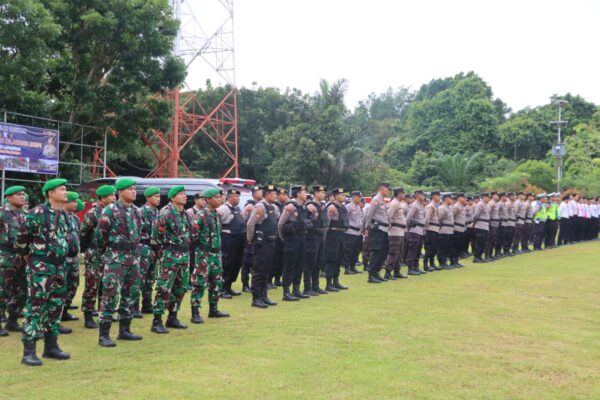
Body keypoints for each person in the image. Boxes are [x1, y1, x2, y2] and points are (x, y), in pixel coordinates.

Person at [19, 178, 71, 366]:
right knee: (35, 308)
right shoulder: (37, 213)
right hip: (41, 268)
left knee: (55, 308)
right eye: (62, 189)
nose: (65, 192)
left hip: (59, 267)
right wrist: (30, 258)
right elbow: (22, 240)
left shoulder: (63, 215)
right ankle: (29, 351)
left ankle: (51, 347)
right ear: (50, 193)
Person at [96, 178, 143, 347]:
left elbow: (140, 233)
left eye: (134, 189)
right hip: (116, 258)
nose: (133, 192)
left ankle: (125, 330)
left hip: (133, 258)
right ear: (120, 192)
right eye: (130, 189)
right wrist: (110, 252)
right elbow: (100, 235)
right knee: (110, 295)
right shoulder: (110, 210)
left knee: (130, 295)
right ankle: (104, 334)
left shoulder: (137, 211)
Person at [152, 186, 192, 334]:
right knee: (164, 288)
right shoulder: (166, 212)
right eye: (180, 194)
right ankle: (157, 321)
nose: (184, 196)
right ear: (172, 197)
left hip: (184, 255)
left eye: (184, 194)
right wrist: (162, 253)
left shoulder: (185, 213)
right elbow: (156, 236)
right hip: (170, 255)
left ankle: (172, 317)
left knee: (180, 288)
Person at [80, 184, 116, 329]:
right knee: (92, 285)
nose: (114, 198)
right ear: (103, 198)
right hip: (95, 253)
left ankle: (104, 313)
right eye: (112, 195)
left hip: (109, 253)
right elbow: (83, 232)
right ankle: (88, 315)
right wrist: (85, 249)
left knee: (106, 285)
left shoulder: (114, 212)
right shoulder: (93, 213)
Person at [191, 188, 230, 318]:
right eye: (216, 197)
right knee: (200, 283)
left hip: (216, 254)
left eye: (220, 197)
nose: (220, 199)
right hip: (204, 254)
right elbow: (193, 235)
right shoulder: (201, 215)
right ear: (208, 200)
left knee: (217, 282)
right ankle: (195, 312)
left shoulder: (216, 215)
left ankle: (213, 309)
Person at [0, 185, 28, 336]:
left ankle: (12, 320)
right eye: (19, 194)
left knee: (23, 290)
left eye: (23, 194)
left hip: (21, 258)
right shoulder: (3, 213)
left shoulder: (26, 214)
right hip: (4, 256)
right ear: (9, 197)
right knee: (1, 291)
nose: (22, 197)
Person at [246, 185, 278, 308]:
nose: (275, 195)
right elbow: (250, 224)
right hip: (262, 242)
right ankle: (256, 298)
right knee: (259, 271)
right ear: (267, 194)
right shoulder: (261, 206)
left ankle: (264, 296)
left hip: (270, 242)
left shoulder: (271, 207)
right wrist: (250, 239)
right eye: (273, 193)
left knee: (266, 270)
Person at [278, 185, 311, 301]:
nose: (306, 194)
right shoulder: (291, 206)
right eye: (304, 192)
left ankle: (296, 290)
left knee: (300, 264)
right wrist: (283, 238)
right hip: (291, 240)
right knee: (290, 265)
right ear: (298, 193)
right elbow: (281, 224)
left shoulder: (303, 207)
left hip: (302, 238)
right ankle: (286, 292)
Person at [217, 189, 246, 299]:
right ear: (230, 197)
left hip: (239, 239)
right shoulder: (223, 208)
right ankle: (222, 288)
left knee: (236, 263)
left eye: (238, 197)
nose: (238, 199)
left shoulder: (237, 208)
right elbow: (217, 222)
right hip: (229, 239)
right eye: (236, 197)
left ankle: (229, 286)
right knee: (227, 263)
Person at [138, 187, 160, 315]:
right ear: (148, 198)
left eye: (159, 197)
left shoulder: (158, 212)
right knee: (139, 278)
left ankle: (146, 304)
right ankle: (134, 306)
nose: (158, 199)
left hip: (154, 248)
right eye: (155, 196)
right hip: (143, 247)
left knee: (150, 278)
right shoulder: (141, 212)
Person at [362, 183, 391, 282]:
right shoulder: (376, 199)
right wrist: (366, 228)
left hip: (383, 230)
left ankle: (377, 273)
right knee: (376, 252)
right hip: (377, 229)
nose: (388, 191)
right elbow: (370, 214)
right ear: (382, 189)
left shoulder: (382, 200)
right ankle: (371, 275)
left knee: (382, 253)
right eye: (387, 189)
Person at [305, 185, 329, 295]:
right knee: (310, 262)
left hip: (321, 235)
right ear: (315, 193)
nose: (323, 194)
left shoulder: (323, 206)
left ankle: (316, 286)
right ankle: (307, 287)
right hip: (313, 236)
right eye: (321, 192)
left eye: (324, 192)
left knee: (319, 261)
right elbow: (307, 221)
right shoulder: (310, 206)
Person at [61, 192, 81, 323]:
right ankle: (56, 315)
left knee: (73, 286)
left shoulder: (75, 219)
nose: (75, 204)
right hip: (62, 258)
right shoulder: (59, 217)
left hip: (73, 258)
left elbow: (79, 236)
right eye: (73, 201)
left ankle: (65, 311)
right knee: (60, 288)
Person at [325, 188, 349, 291]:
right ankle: (329, 283)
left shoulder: (343, 207)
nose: (344, 196)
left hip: (341, 233)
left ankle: (336, 281)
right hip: (333, 234)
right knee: (332, 258)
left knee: (339, 258)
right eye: (341, 194)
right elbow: (327, 222)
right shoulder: (332, 207)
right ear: (335, 196)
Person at [241, 186, 263, 292]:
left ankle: (256, 283)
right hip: (249, 237)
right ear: (254, 194)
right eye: (259, 191)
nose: (261, 192)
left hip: (259, 237)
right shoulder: (250, 205)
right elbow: (244, 221)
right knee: (247, 261)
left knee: (256, 261)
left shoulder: (262, 205)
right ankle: (245, 284)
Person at [384, 188, 407, 279]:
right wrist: (389, 229)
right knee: (393, 253)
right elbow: (388, 216)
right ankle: (388, 272)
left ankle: (397, 271)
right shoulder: (394, 203)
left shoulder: (398, 203)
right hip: (394, 231)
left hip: (400, 231)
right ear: (399, 194)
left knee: (399, 253)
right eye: (403, 193)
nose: (404, 195)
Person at [341, 191, 363, 276]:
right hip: (350, 232)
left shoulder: (358, 207)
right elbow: (345, 219)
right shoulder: (348, 207)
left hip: (358, 232)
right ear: (354, 197)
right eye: (359, 197)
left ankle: (353, 266)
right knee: (348, 251)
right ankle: (347, 268)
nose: (360, 199)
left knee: (356, 251)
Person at [405, 190, 426, 275]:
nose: (423, 196)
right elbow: (408, 218)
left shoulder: (420, 205)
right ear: (417, 195)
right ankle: (410, 268)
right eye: (421, 194)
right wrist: (409, 228)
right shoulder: (414, 205)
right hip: (414, 230)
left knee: (418, 250)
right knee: (413, 250)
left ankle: (416, 267)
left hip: (420, 230)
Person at [270, 188, 288, 288]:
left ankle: (277, 278)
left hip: (283, 235)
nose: (285, 196)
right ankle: (269, 279)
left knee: (281, 258)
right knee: (274, 258)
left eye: (286, 195)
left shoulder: (285, 206)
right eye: (282, 195)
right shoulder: (274, 206)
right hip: (276, 235)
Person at [423, 191, 441, 272]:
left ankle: (432, 263)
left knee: (434, 248)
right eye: (438, 196)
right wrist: (425, 230)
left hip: (435, 229)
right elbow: (427, 219)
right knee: (429, 248)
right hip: (430, 229)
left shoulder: (435, 206)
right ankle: (425, 265)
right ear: (434, 196)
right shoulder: (430, 206)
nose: (439, 197)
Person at [437, 193, 455, 269]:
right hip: (444, 230)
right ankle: (441, 263)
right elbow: (439, 219)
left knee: (447, 247)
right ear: (446, 199)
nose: (452, 200)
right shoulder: (442, 207)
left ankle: (445, 262)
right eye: (451, 199)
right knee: (442, 247)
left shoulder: (449, 208)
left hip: (450, 230)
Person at [472, 193, 491, 263]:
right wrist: (474, 224)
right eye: (488, 197)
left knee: (483, 242)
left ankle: (479, 256)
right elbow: (475, 215)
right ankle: (476, 257)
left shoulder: (486, 205)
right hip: (480, 226)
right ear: (484, 197)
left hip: (485, 226)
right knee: (479, 242)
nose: (489, 199)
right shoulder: (480, 204)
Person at [451, 193, 467, 268]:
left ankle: (456, 261)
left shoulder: (462, 207)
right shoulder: (456, 206)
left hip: (461, 228)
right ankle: (453, 261)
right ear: (460, 198)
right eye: (464, 197)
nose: (465, 199)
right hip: (456, 228)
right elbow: (452, 217)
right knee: (454, 246)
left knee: (459, 246)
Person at [484, 192, 500, 261]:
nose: (498, 196)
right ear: (493, 196)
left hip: (495, 223)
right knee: (489, 240)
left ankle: (490, 254)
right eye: (496, 195)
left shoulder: (495, 203)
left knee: (493, 239)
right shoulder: (491, 203)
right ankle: (487, 255)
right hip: (491, 223)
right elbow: (488, 213)